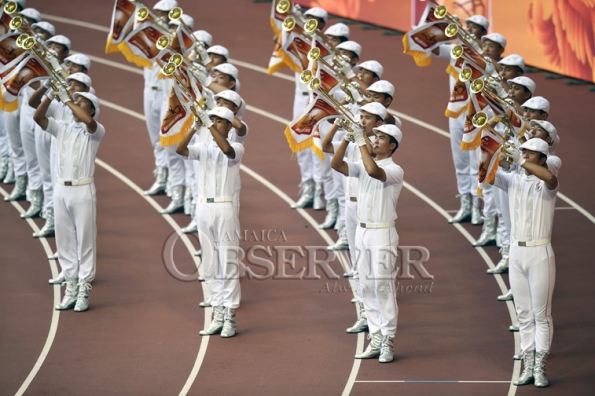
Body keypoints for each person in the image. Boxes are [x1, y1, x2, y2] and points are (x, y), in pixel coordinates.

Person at [331, 121, 404, 363]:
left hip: (382, 233)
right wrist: (347, 137)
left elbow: (374, 171)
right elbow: (336, 164)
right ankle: (375, 336)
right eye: (375, 137)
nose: (375, 140)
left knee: (382, 286)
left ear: (392, 146)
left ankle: (388, 339)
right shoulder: (363, 164)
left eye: (381, 138)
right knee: (365, 287)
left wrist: (361, 141)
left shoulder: (395, 169)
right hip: (362, 232)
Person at [492, 138, 558, 388]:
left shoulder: (546, 182)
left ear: (542, 159)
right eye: (523, 153)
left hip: (540, 252)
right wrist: (489, 149)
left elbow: (551, 179)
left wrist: (520, 161)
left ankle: (540, 366)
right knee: (523, 314)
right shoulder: (512, 179)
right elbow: (487, 175)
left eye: (530, 154)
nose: (524, 156)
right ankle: (528, 363)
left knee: (542, 315)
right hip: (516, 253)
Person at [33, 83, 104, 313]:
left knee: (85, 240)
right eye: (76, 100)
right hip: (61, 188)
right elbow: (37, 116)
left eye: (82, 101)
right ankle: (70, 286)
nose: (76, 103)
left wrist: (67, 100)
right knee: (64, 241)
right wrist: (51, 92)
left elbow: (88, 122)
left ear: (92, 109)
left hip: (83, 190)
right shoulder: (62, 126)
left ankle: (84, 287)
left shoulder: (95, 130)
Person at [176, 106, 244, 338]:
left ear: (228, 125)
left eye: (218, 121)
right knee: (210, 262)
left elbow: (225, 149)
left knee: (228, 261)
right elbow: (180, 149)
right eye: (211, 120)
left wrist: (209, 125)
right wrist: (194, 127)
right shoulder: (203, 148)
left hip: (225, 207)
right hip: (204, 207)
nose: (213, 123)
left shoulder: (236, 147)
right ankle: (217, 312)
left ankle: (230, 316)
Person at [432, 15, 489, 226]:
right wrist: (442, 25)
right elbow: (434, 48)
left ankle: (477, 206)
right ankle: (465, 203)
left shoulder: (486, 53)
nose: (470, 30)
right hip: (456, 113)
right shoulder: (456, 51)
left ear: (483, 32)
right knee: (460, 160)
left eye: (475, 27)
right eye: (468, 26)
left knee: (476, 162)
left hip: (477, 114)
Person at [290, 7, 328, 210]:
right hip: (300, 98)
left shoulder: (327, 46)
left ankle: (320, 190)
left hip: (317, 102)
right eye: (307, 19)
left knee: (316, 147)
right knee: (301, 145)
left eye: (314, 20)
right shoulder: (300, 43)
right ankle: (307, 187)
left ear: (322, 23)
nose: (308, 23)